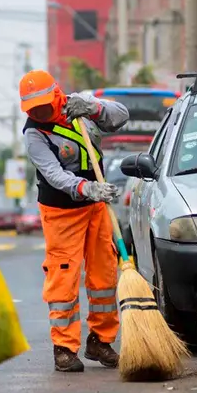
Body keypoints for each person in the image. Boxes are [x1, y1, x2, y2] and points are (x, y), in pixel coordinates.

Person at [19, 69, 127, 373]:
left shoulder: (77, 105)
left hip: (96, 208)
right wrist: (87, 187)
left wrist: (94, 108)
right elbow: (54, 175)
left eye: (43, 104)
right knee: (64, 277)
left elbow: (121, 117)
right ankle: (64, 349)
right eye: (33, 108)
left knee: (104, 274)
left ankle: (101, 341)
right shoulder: (34, 134)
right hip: (62, 212)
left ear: (56, 94)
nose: (39, 111)